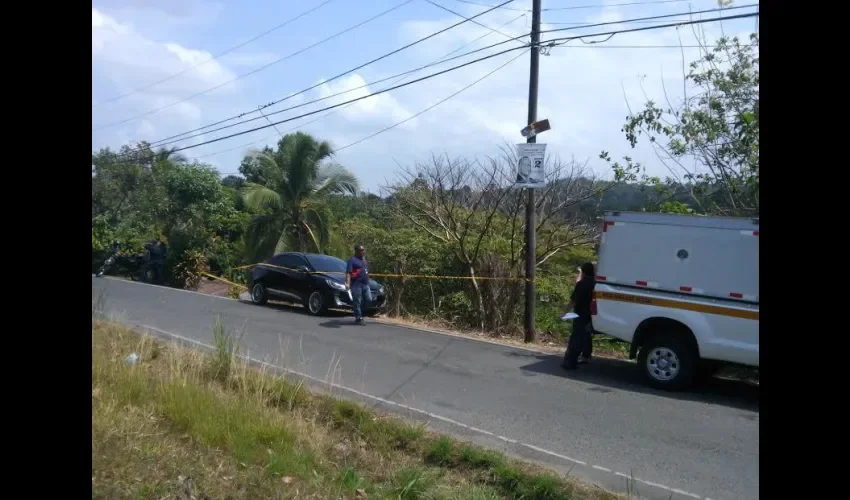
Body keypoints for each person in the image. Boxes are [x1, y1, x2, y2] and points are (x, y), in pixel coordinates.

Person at [561, 262, 596, 370]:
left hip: (580, 314)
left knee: (576, 338)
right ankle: (586, 355)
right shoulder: (595, 284)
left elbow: (574, 301)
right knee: (586, 335)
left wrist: (565, 312)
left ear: (584, 272)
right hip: (592, 315)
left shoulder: (581, 284)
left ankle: (570, 362)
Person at [345, 244, 372, 324]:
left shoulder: (364, 260)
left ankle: (360, 314)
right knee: (357, 302)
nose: (363, 251)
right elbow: (348, 273)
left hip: (365, 284)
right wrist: (348, 283)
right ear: (356, 251)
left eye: (363, 250)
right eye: (361, 250)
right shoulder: (352, 260)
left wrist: (368, 280)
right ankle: (358, 318)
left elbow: (366, 271)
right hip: (356, 285)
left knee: (369, 299)